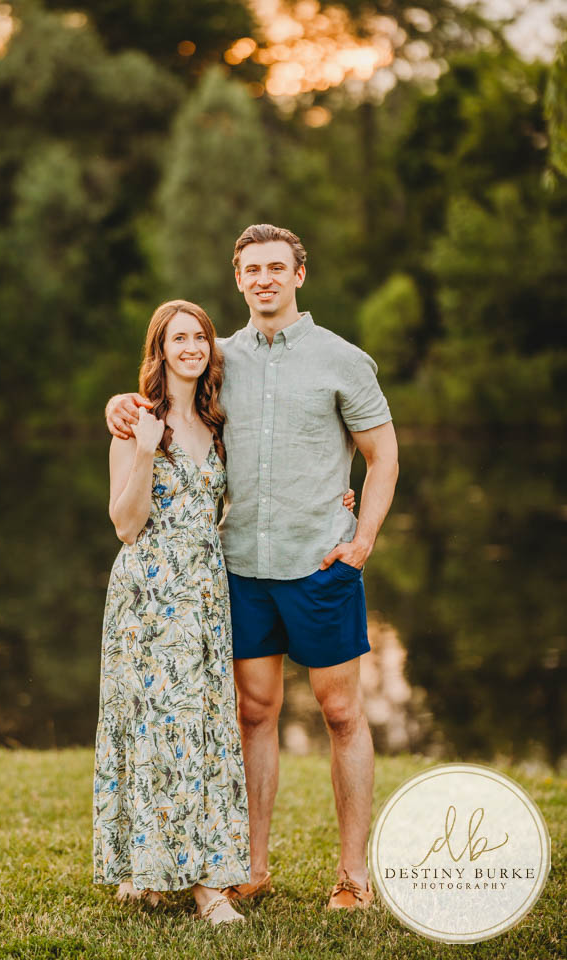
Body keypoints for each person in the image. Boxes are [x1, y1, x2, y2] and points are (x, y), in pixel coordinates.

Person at [105, 224, 399, 911]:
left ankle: (352, 879)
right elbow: (163, 393)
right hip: (239, 568)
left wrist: (362, 540)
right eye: (252, 270)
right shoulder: (218, 361)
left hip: (321, 563)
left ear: (299, 275)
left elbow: (383, 456)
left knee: (342, 713)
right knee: (256, 713)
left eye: (276, 267)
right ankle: (252, 866)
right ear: (238, 279)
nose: (264, 279)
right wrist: (118, 405)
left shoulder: (343, 360)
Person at [93, 300, 251, 925]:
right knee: (150, 727)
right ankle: (152, 869)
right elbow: (125, 526)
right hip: (148, 598)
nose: (191, 347)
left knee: (204, 729)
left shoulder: (217, 424)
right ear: (158, 350)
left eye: (200, 337)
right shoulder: (135, 422)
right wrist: (144, 451)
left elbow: (236, 504)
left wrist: (335, 502)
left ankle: (207, 879)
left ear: (211, 349)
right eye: (178, 338)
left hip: (204, 595)